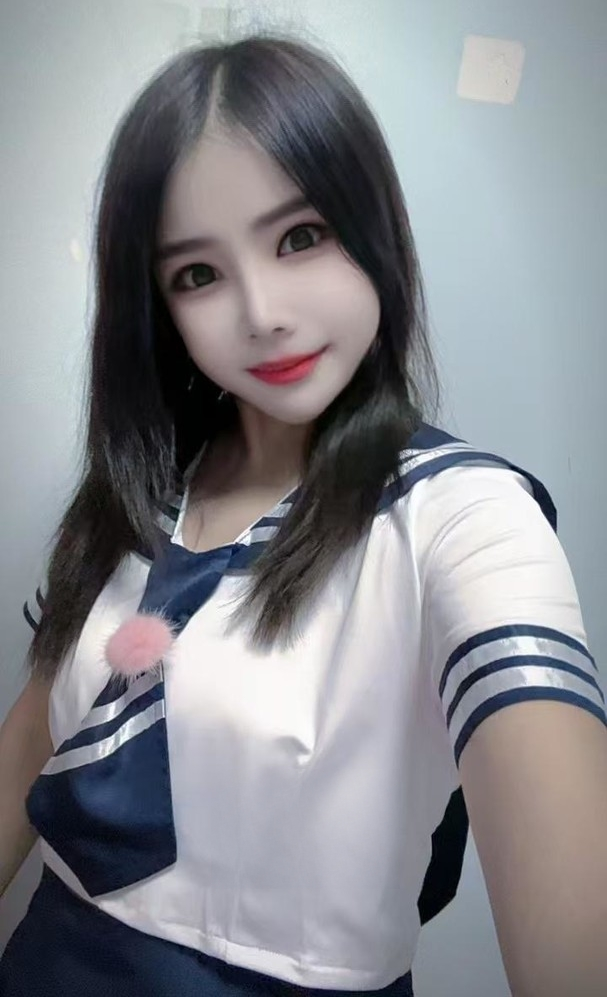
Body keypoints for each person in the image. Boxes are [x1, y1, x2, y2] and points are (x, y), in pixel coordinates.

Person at [1, 32, 606, 997]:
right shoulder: (132, 495)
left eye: (299, 237)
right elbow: (26, 754)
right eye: (197, 274)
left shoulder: (463, 519)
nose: (262, 311)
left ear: (373, 229)